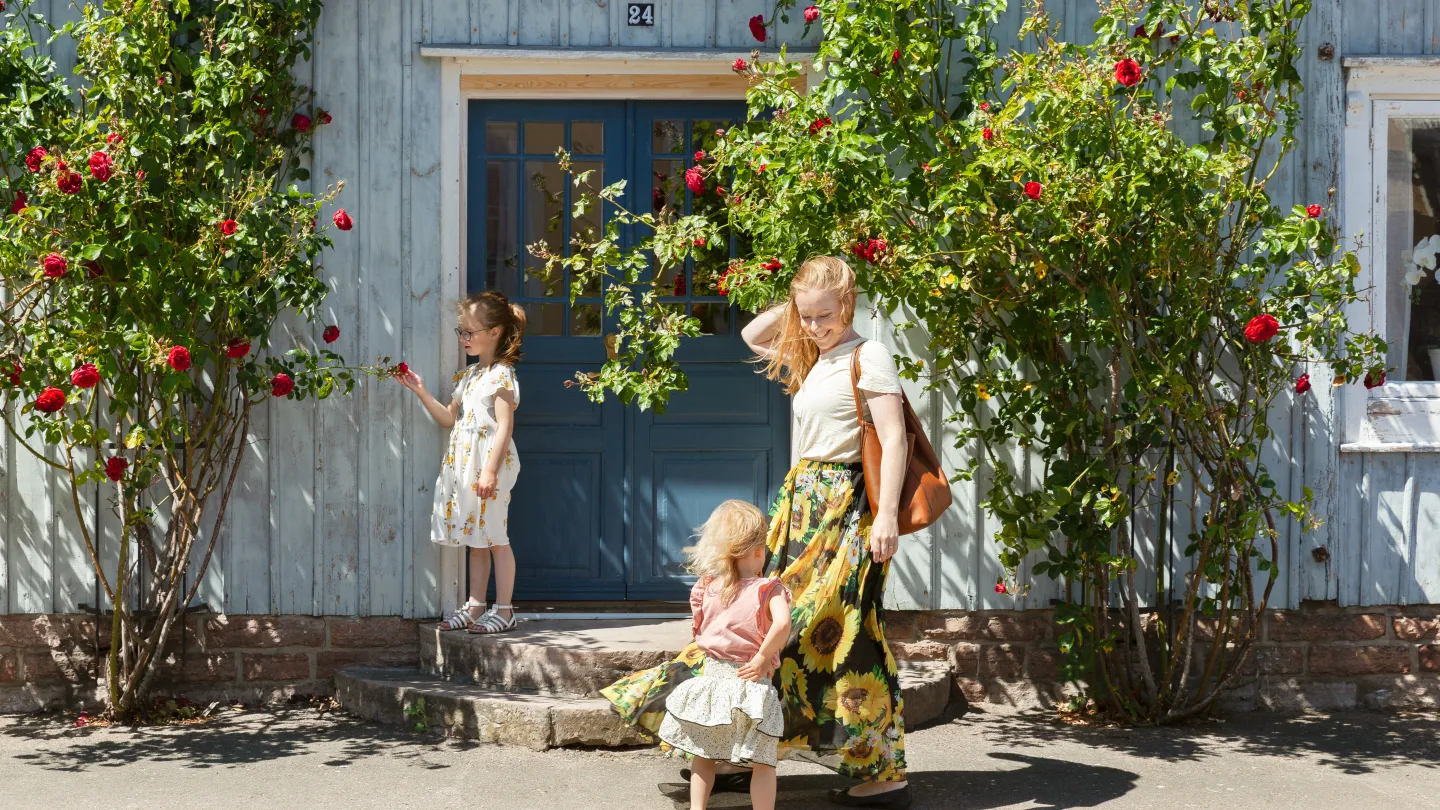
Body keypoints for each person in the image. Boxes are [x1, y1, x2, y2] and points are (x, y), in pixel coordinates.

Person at [603, 256, 913, 808]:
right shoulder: (816, 356)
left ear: (850, 302)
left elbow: (894, 440)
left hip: (843, 510)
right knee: (764, 619)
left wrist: (886, 515)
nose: (817, 326)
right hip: (801, 507)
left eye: (828, 314)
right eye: (808, 316)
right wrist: (795, 307)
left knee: (842, 632)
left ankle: (880, 768)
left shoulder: (870, 356)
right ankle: (726, 742)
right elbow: (750, 334)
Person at [397, 290, 525, 634]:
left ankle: (505, 609)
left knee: (496, 535)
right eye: (462, 332)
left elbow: (504, 427)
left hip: (489, 465)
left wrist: (490, 471)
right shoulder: (469, 377)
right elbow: (448, 419)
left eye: (470, 332)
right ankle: (476, 605)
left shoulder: (502, 375)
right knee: (476, 537)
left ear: (495, 332)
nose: (464, 338)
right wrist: (420, 391)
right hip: (466, 465)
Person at [659, 500, 792, 810]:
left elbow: (700, 631)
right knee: (762, 762)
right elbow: (783, 623)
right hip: (751, 686)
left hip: (712, 683)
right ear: (759, 551)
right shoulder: (767, 588)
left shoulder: (707, 588)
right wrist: (762, 656)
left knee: (704, 756)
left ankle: (697, 808)